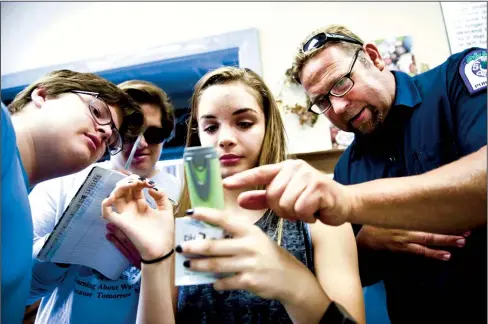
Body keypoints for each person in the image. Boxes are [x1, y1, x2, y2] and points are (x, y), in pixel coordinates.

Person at [220, 25, 487, 323]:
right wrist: (368, 241)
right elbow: (352, 275)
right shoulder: (347, 168)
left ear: (373, 57)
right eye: (322, 101)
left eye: (341, 84)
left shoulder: (455, 81)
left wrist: (350, 200)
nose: (338, 107)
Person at [101, 66, 366, 324]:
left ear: (267, 127)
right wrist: (154, 259)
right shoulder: (175, 224)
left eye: (244, 123)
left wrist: (294, 284)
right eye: (211, 128)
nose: (225, 138)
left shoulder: (317, 219)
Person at [27, 80, 181, 324]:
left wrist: (157, 265)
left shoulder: (182, 195)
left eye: (153, 134)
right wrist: (64, 245)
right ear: (113, 133)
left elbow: (192, 297)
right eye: (131, 133)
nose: (141, 144)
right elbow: (22, 289)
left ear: (167, 136)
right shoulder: (64, 180)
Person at [1, 69, 144, 324]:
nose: (104, 133)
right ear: (42, 95)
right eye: (97, 112)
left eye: (111, 139)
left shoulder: (21, 205)